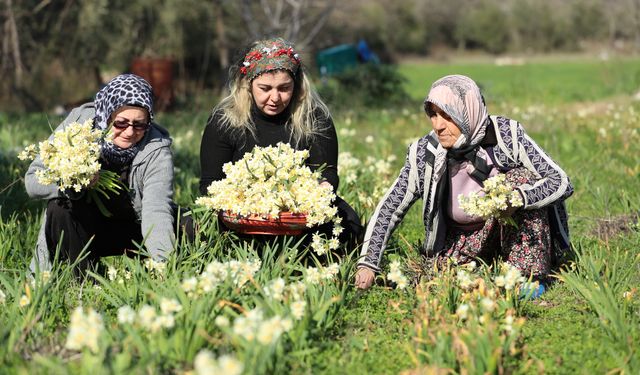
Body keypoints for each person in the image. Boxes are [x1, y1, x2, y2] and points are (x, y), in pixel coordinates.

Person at [355, 74, 573, 292]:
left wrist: (517, 199)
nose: (438, 125)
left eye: (447, 116)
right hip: (461, 244)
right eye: (433, 115)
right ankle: (485, 272)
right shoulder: (425, 153)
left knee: (520, 179)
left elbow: (560, 181)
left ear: (467, 113)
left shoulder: (506, 135)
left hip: (508, 231)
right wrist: (368, 263)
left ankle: (527, 278)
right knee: (439, 284)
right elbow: (390, 206)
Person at [199, 37, 362, 250]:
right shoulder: (224, 120)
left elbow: (327, 172)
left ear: (296, 85)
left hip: (299, 215)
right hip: (242, 216)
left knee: (347, 221)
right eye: (265, 88)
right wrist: (246, 204)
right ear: (247, 84)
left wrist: (321, 189)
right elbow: (209, 183)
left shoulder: (315, 118)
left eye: (284, 88)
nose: (275, 97)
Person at [26, 74, 185, 274]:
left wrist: (164, 267)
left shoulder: (156, 148)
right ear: (107, 115)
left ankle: (152, 272)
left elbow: (156, 209)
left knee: (185, 222)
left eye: (139, 124)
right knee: (59, 207)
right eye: (121, 123)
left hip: (132, 226)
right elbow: (32, 180)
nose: (129, 132)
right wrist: (75, 182)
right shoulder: (78, 128)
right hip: (86, 228)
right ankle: (83, 279)